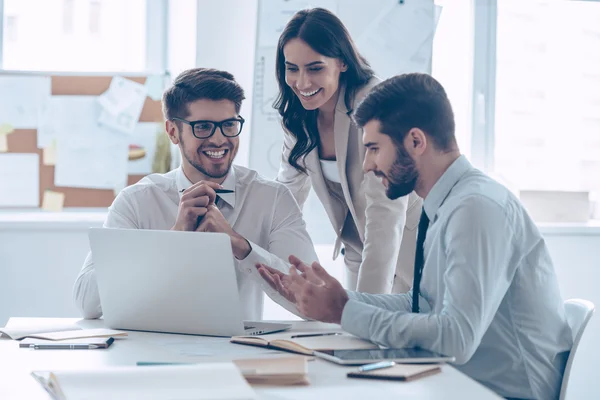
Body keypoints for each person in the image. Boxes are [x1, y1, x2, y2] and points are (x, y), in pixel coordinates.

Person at [258, 73, 573, 400]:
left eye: (374, 148)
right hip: (461, 385)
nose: (367, 165)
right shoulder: (447, 203)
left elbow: (456, 340)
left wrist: (343, 312)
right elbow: (423, 305)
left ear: (416, 142)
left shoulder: (476, 209)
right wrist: (336, 300)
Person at [73, 68, 317, 320]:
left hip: (241, 355)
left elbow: (316, 300)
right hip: (151, 352)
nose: (219, 139)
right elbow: (88, 303)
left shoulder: (272, 199)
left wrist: (239, 245)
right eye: (203, 127)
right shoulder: (137, 202)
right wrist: (173, 240)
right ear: (172, 132)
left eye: (229, 125)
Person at [274, 8, 421, 294]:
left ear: (341, 62)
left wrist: (367, 312)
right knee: (353, 334)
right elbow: (286, 201)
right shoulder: (298, 118)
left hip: (413, 251)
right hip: (358, 253)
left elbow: (385, 213)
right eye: (292, 68)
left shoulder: (377, 106)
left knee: (384, 330)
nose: (302, 83)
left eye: (314, 68)